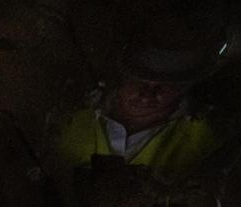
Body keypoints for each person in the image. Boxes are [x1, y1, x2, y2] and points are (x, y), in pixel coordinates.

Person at [48, 17, 230, 188]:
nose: (147, 94)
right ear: (121, 75)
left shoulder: (205, 141)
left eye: (165, 84)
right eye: (140, 79)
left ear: (184, 86)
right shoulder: (67, 120)